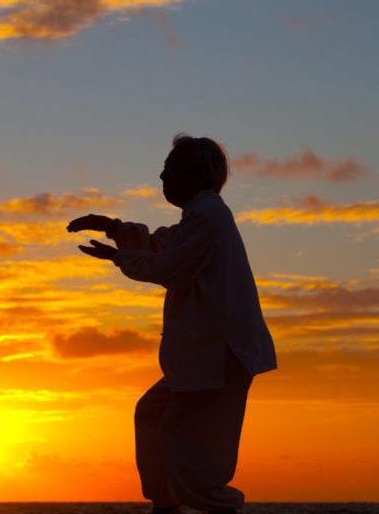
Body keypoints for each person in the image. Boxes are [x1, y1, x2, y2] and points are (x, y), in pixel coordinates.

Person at [67, 134, 277, 514]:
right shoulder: (201, 216)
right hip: (206, 356)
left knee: (189, 454)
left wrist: (119, 257)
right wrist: (114, 228)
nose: (162, 179)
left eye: (168, 172)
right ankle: (166, 505)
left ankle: (213, 507)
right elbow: (164, 245)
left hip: (219, 355)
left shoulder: (209, 217)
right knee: (153, 415)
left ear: (195, 175)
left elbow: (169, 267)